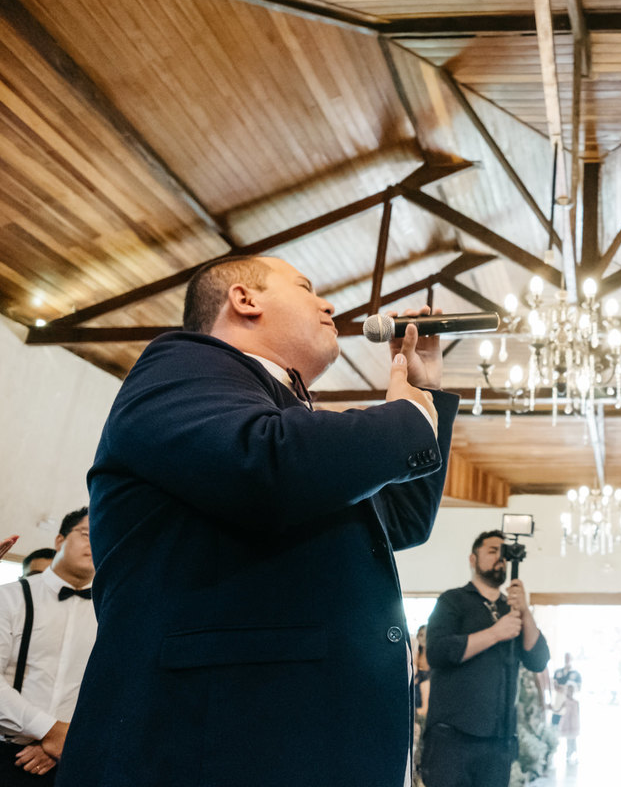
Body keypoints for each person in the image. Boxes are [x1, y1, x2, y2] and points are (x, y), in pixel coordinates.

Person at [57, 255, 457, 787]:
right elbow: (265, 464)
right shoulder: (182, 366)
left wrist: (425, 395)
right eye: (307, 287)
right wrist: (407, 417)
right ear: (245, 300)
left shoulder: (292, 421)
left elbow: (402, 521)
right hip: (203, 745)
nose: (329, 304)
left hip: (283, 741)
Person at [422, 531, 549, 787]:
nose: (500, 558)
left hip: (498, 740)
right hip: (452, 739)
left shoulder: (512, 609)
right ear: (473, 558)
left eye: (503, 553)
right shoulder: (452, 601)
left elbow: (538, 659)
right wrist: (494, 634)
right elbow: (437, 652)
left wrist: (524, 610)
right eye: (492, 551)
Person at [0, 509, 95, 784]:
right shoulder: (11, 596)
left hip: (75, 761)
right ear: (59, 541)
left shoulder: (109, 613)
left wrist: (65, 743)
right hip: (9, 757)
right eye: (87, 534)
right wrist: (51, 732)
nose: (95, 542)